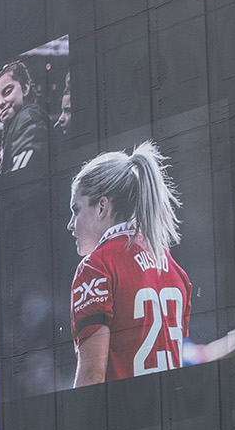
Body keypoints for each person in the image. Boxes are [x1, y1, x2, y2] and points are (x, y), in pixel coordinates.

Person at [67, 142, 192, 387]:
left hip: (124, 419)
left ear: (102, 206)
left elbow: (92, 376)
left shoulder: (96, 268)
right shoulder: (175, 269)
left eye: (76, 209)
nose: (71, 224)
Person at [0, 59, 50, 176]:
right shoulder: (17, 123)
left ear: (25, 88)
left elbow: (22, 175)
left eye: (7, 92)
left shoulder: (29, 117)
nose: (1, 103)